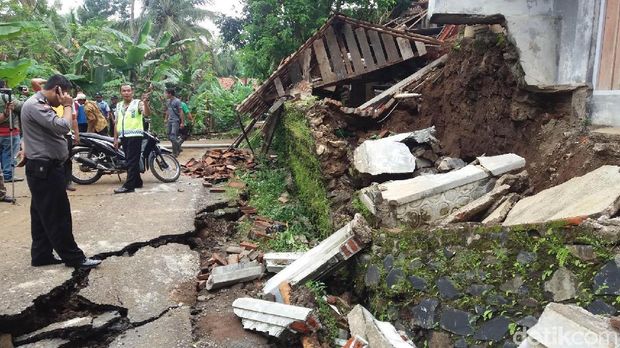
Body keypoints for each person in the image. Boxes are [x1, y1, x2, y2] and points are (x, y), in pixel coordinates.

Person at [20, 74, 101, 269]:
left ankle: (41, 255)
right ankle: (74, 258)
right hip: (45, 168)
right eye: (64, 94)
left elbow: (38, 84)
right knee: (58, 214)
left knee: (41, 213)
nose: (65, 98)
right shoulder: (35, 105)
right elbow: (62, 127)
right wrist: (66, 105)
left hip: (43, 167)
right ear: (58, 90)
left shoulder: (39, 100)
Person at [113, 83, 151, 194]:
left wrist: (145, 103)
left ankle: (129, 186)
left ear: (132, 92)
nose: (126, 93)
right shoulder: (119, 105)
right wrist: (115, 139)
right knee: (130, 160)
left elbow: (147, 114)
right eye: (124, 91)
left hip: (135, 136)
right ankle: (137, 182)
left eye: (128, 90)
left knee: (131, 161)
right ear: (121, 93)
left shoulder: (137, 103)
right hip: (124, 136)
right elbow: (116, 122)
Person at [0, 80, 24, 183]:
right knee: (9, 154)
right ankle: (8, 175)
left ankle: (3, 176)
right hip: (9, 130)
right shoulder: (6, 97)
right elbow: (21, 106)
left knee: (2, 153)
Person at [164, 88, 184, 157]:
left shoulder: (177, 101)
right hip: (170, 120)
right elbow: (167, 110)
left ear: (170, 94)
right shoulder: (168, 101)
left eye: (166, 93)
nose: (165, 94)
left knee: (173, 136)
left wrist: (182, 122)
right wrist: (166, 118)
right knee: (168, 135)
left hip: (175, 121)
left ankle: (175, 153)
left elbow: (181, 112)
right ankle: (178, 145)